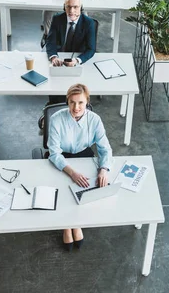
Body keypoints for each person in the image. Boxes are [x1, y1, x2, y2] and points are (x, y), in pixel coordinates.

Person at [47, 83, 113, 251]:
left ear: (87, 102)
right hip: (62, 158)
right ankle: (67, 225)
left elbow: (105, 149)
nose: (76, 108)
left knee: (86, 187)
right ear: (67, 102)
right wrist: (71, 172)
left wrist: (104, 169)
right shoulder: (56, 119)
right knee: (63, 187)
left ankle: (76, 222)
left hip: (84, 155)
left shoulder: (95, 120)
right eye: (72, 102)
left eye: (81, 103)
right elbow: (54, 153)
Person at [45, 0, 96, 104]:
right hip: (60, 58)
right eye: (68, 6)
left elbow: (91, 49)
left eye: (75, 7)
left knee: (75, 90)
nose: (71, 11)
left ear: (81, 8)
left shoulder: (89, 23)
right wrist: (53, 57)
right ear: (64, 7)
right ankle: (54, 104)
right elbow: (50, 41)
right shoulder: (57, 19)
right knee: (55, 87)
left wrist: (77, 60)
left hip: (76, 61)